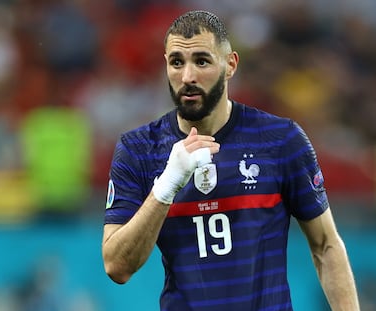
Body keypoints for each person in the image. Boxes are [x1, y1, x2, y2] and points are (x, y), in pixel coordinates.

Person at [102, 10, 360, 311]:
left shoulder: (280, 140)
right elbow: (116, 266)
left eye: (201, 61)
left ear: (230, 65)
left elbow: (326, 245)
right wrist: (165, 187)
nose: (187, 77)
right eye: (176, 62)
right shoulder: (139, 149)